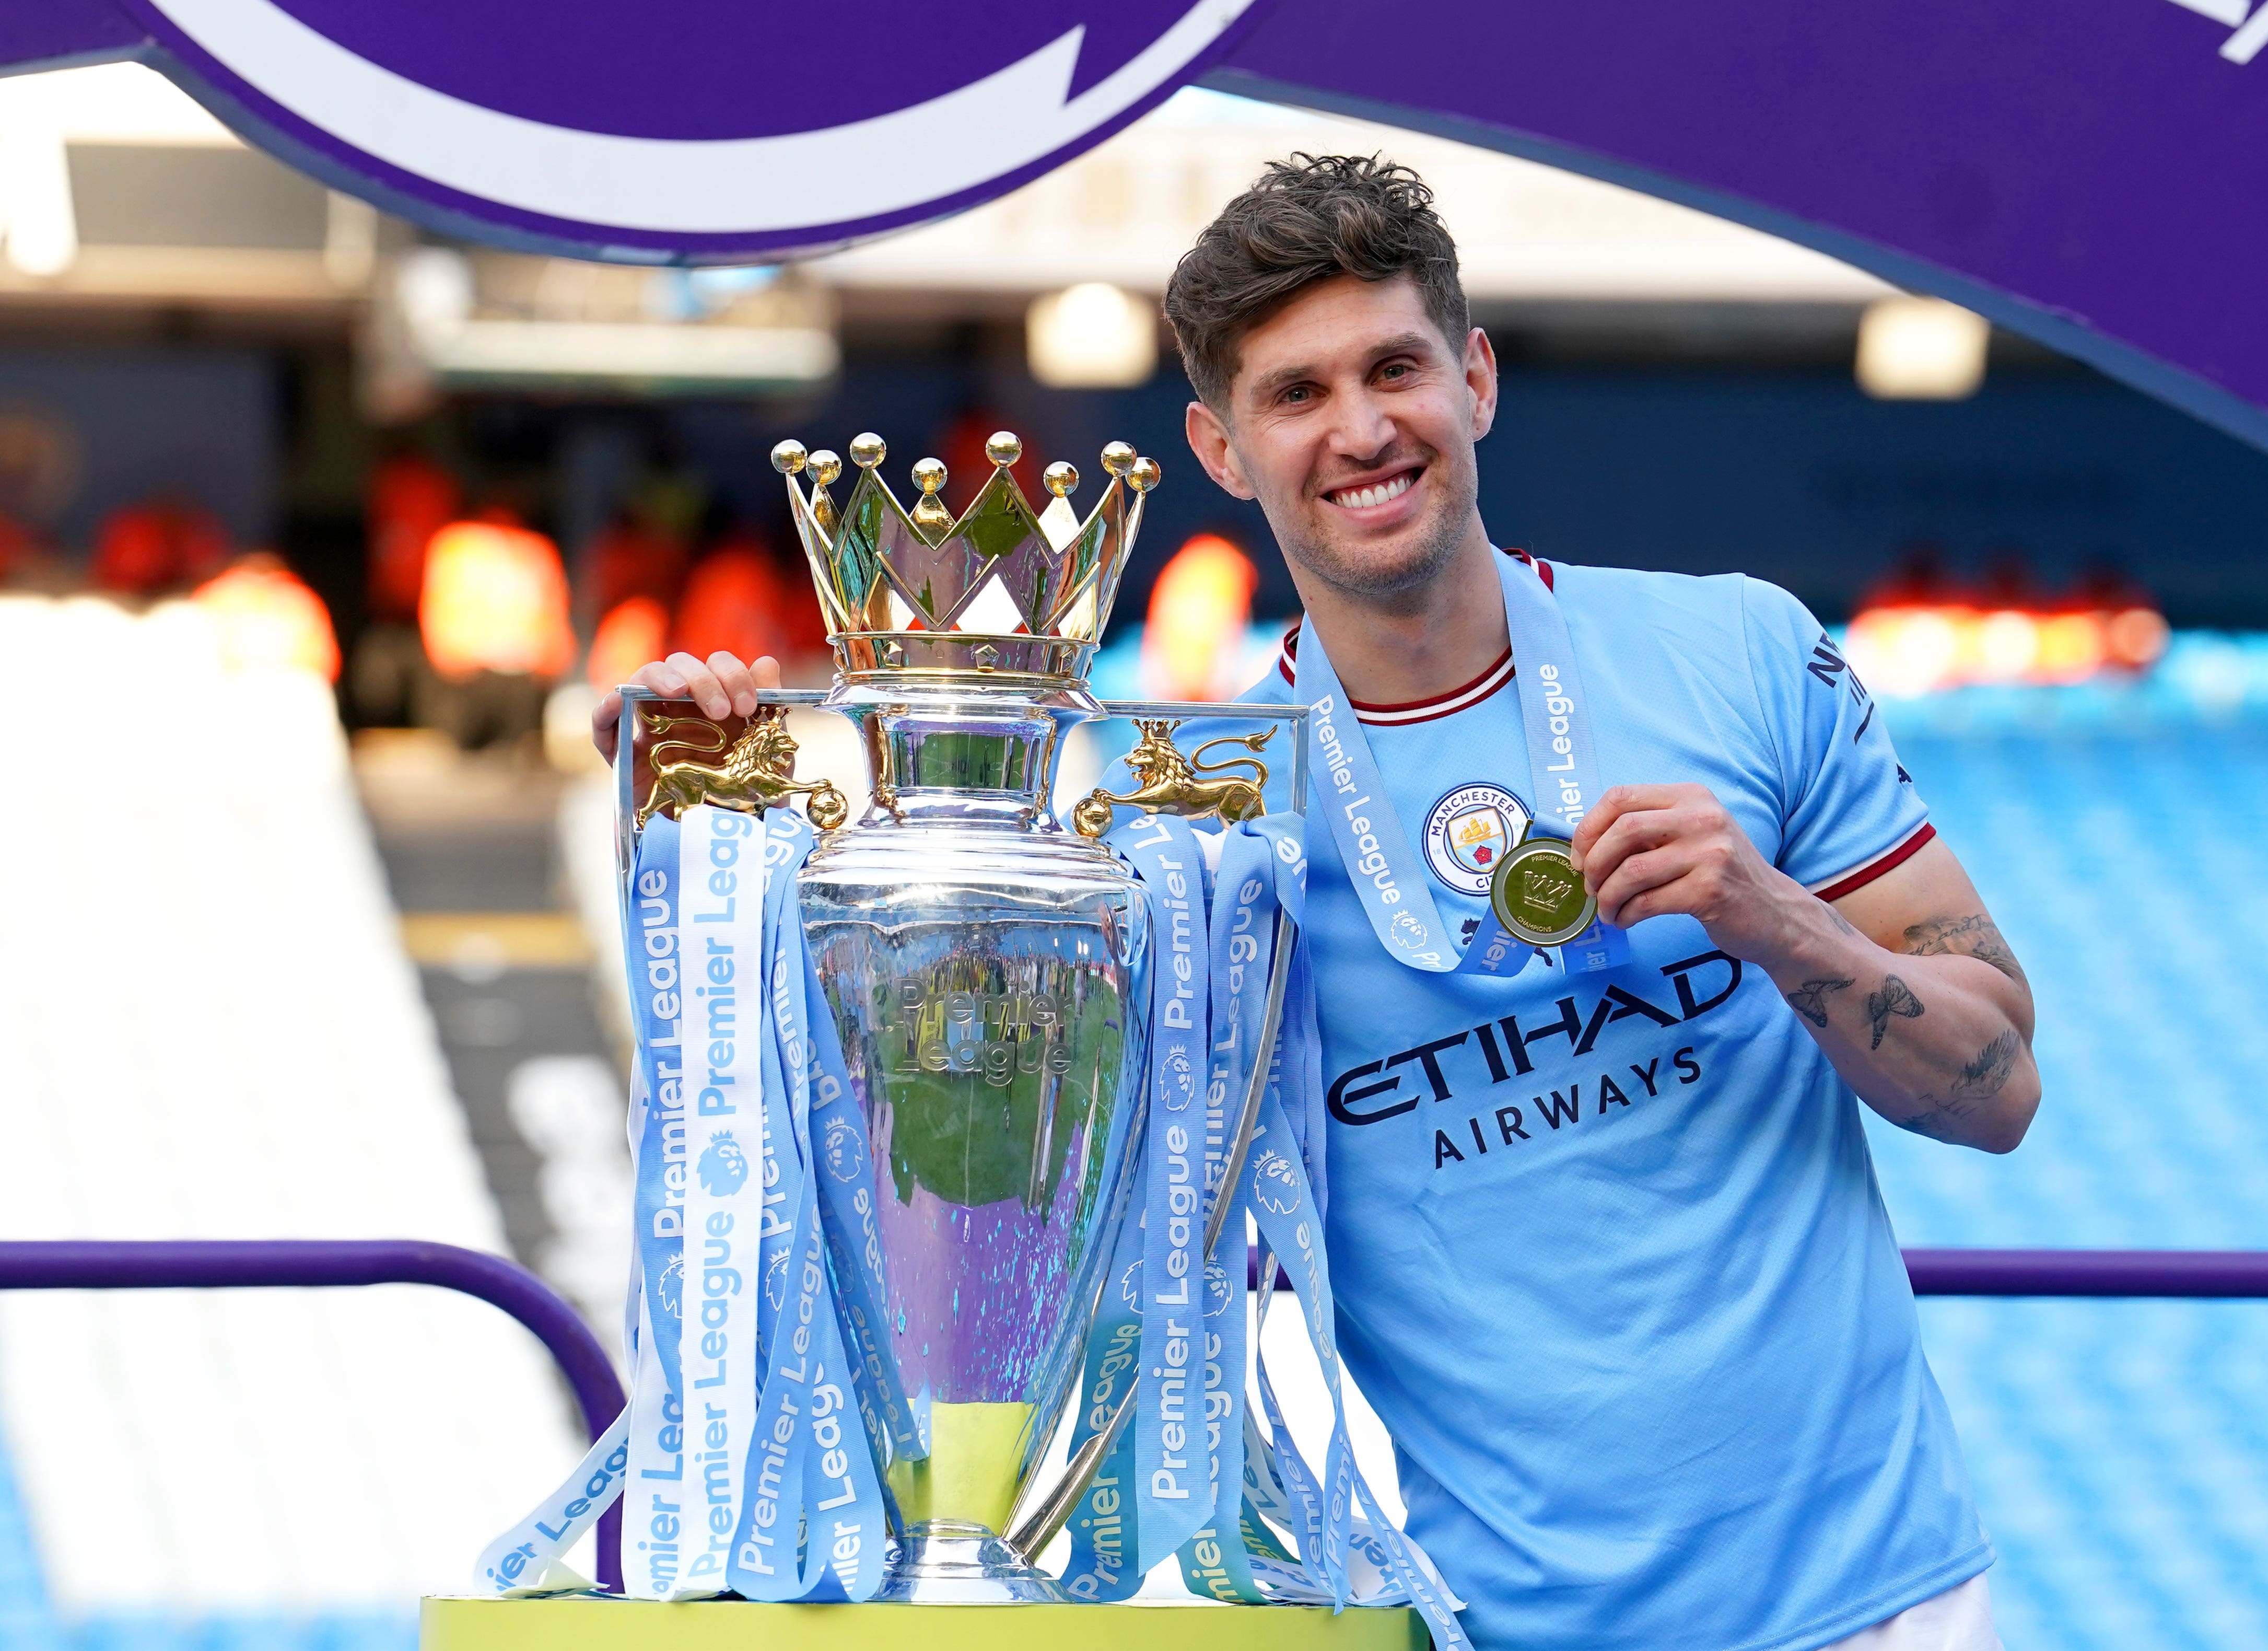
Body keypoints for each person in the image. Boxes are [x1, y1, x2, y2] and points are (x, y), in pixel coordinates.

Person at [593, 154, 2037, 1651]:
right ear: (1218, 447)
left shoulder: (1737, 652)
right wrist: (708, 824)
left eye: (1395, 366)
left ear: (1473, 377)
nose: (1360, 430)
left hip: (1876, 1603)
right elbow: (946, 1134)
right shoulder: (1196, 819)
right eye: (1294, 395)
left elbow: (1996, 1086)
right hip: (1506, 1625)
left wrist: (1773, 919)